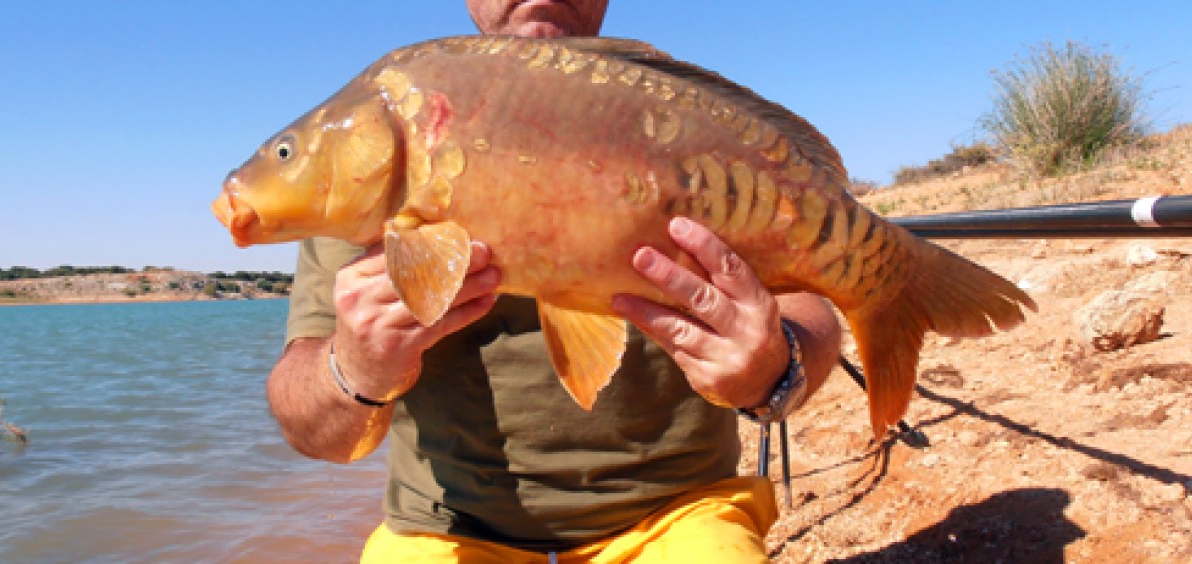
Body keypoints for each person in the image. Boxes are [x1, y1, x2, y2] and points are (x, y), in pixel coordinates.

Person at [266, 1, 844, 561]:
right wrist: (356, 368)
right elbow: (317, 433)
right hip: (447, 529)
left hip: (681, 510)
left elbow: (813, 309)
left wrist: (775, 368)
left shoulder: (688, 121)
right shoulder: (383, 150)